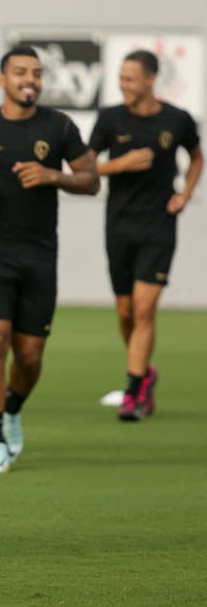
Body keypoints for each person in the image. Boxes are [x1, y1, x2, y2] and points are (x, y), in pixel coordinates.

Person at [0, 46, 99, 474]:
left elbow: (91, 181)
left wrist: (54, 176)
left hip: (39, 255)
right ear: (2, 79)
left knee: (29, 355)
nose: (29, 79)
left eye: (36, 73)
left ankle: (11, 408)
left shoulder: (59, 126)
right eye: (20, 72)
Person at [88, 50, 202, 422]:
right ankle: (146, 372)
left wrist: (184, 194)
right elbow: (84, 168)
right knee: (125, 312)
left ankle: (134, 390)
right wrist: (117, 165)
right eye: (121, 78)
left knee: (143, 308)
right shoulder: (109, 119)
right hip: (119, 224)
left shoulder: (177, 120)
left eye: (130, 78)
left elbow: (197, 157)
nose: (124, 85)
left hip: (158, 226)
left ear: (151, 79)